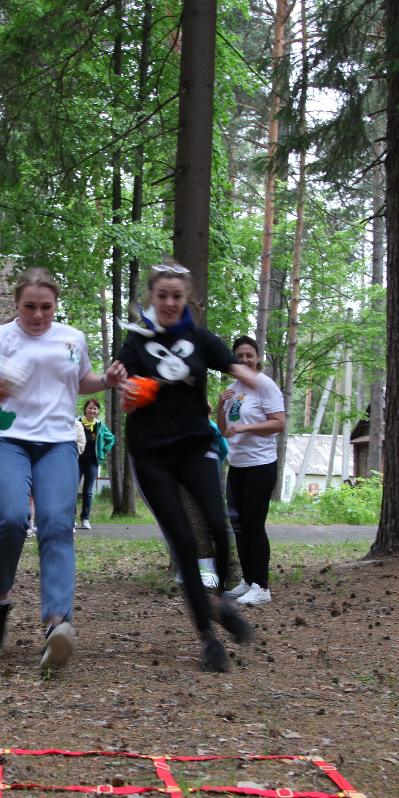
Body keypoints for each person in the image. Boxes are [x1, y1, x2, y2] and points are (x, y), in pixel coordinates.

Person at [108, 260, 262, 673]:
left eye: (178, 296)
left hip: (195, 446)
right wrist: (125, 387)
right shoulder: (136, 341)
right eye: (163, 296)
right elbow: (123, 385)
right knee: (185, 544)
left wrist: (258, 383)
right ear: (152, 298)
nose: (171, 302)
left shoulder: (199, 339)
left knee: (218, 522)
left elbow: (236, 368)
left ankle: (225, 605)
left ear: (187, 298)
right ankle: (209, 640)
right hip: (152, 453)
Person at [0, 267, 115, 674]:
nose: (38, 315)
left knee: (55, 523)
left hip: (58, 442)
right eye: (29, 307)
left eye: (46, 307)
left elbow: (81, 380)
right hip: (4, 439)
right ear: (17, 304)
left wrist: (107, 379)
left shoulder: (72, 338)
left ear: (56, 305)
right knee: (12, 518)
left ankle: (57, 624)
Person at [217, 337, 287, 606]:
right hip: (238, 466)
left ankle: (262, 586)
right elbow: (224, 428)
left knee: (254, 526)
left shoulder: (265, 386)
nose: (244, 360)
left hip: (261, 464)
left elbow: (279, 423)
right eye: (239, 356)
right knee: (239, 527)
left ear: (257, 357)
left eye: (249, 355)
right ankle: (247, 580)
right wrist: (221, 402)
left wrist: (246, 428)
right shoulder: (234, 389)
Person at [76, 397, 114, 529]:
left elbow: (111, 439)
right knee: (72, 489)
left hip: (92, 463)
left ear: (97, 411)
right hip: (76, 461)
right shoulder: (77, 423)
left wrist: (102, 453)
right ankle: (70, 518)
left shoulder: (99, 426)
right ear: (85, 409)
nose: (92, 410)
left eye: (95, 408)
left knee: (88, 491)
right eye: (90, 408)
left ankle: (85, 518)